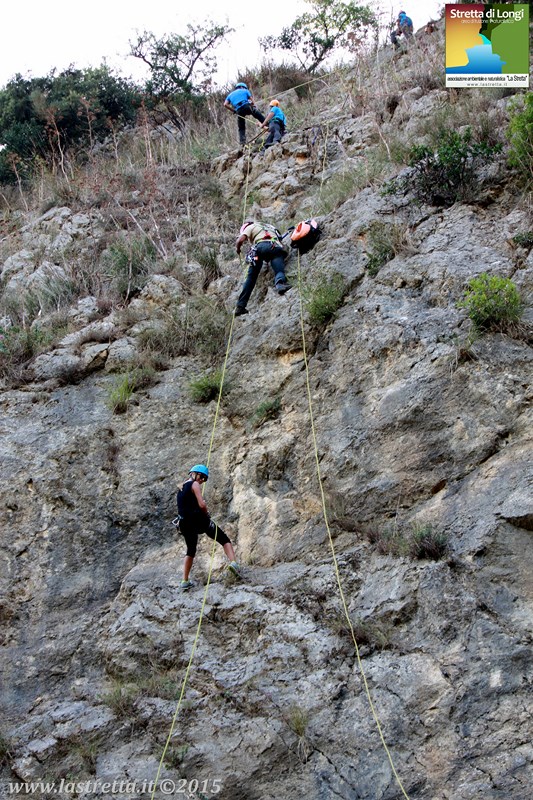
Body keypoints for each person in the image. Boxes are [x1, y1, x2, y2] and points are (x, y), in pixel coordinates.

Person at [175, 464, 239, 590]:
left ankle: (185, 581)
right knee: (224, 539)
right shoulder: (194, 484)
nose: (202, 480)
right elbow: (202, 504)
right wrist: (206, 513)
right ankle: (234, 563)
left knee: (190, 551)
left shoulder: (181, 488)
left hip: (184, 524)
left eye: (204, 479)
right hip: (198, 520)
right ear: (193, 474)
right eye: (201, 477)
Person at [234, 220, 291, 316]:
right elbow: (280, 239)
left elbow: (240, 240)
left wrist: (238, 249)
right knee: (278, 269)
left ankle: (240, 306)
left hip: (258, 249)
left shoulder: (250, 227)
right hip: (274, 247)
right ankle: (280, 284)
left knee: (251, 278)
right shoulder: (271, 227)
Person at [224, 82, 265, 146]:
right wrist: (253, 106)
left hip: (239, 110)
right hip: (246, 106)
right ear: (242, 87)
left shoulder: (230, 95)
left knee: (241, 127)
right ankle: (268, 124)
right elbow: (252, 100)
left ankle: (242, 142)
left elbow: (225, 104)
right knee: (258, 115)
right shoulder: (245, 91)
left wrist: (234, 111)